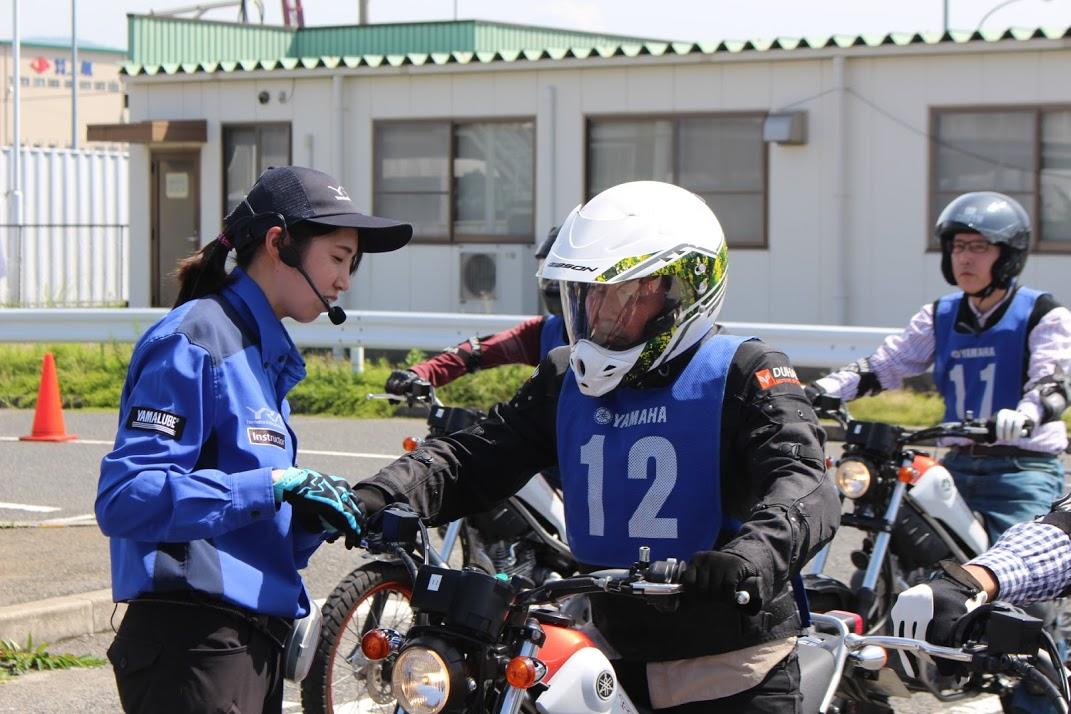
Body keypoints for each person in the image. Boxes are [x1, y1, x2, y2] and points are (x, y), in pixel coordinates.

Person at [354, 180, 840, 712]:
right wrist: (381, 493)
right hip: (609, 653)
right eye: (588, 294)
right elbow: (476, 455)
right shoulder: (563, 378)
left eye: (625, 293)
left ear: (684, 290)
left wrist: (752, 555)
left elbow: (806, 482)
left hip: (730, 667)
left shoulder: (744, 372)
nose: (600, 312)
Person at [95, 165, 412, 714]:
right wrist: (271, 484)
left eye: (351, 265)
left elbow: (256, 533)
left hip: (247, 643)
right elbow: (126, 498)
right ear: (279, 244)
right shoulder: (196, 338)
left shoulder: (263, 355)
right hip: (193, 642)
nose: (345, 281)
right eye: (338, 258)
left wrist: (312, 515)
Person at [806, 192, 1071, 543]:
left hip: (1021, 470)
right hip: (956, 465)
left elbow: (1051, 383)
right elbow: (887, 364)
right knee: (903, 548)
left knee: (1025, 581)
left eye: (979, 247)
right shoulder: (939, 315)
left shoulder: (1042, 314)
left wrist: (1025, 415)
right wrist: (820, 390)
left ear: (1007, 255)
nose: (964, 257)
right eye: (958, 246)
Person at [384, 226, 568, 397]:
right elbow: (475, 352)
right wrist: (420, 374)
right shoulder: (543, 331)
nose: (553, 283)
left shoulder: (596, 336)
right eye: (548, 272)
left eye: (561, 273)